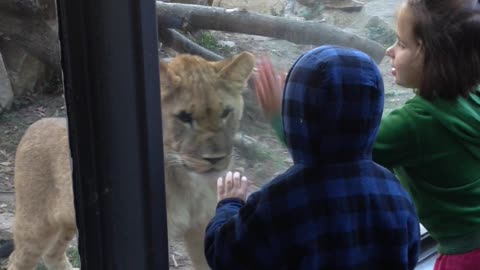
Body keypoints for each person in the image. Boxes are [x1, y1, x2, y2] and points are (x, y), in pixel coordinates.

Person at [254, 1, 480, 269]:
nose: (389, 50)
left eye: (402, 44)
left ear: (434, 56)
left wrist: (279, 119)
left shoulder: (414, 125)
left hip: (464, 254)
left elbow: (330, 154)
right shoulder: (472, 93)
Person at [204, 45, 420, 270]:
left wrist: (229, 205)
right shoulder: (393, 191)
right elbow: (410, 254)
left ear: (294, 111)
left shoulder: (280, 201)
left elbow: (224, 256)